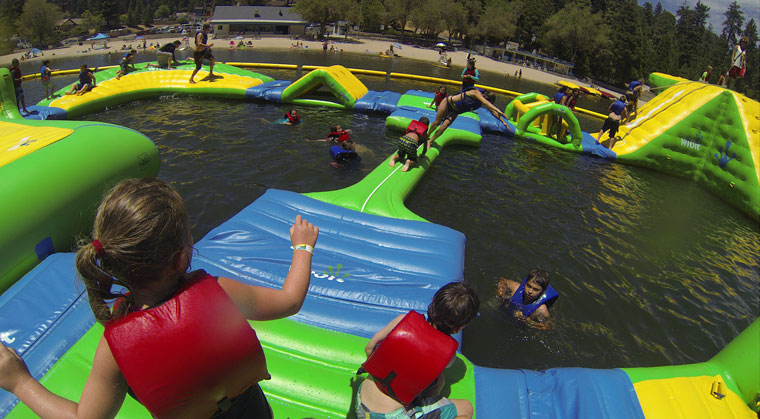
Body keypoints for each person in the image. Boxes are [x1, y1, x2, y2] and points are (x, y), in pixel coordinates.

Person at [0, 178, 319, 418]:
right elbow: (289, 301)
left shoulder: (116, 347)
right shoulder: (221, 292)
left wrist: (20, 383)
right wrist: (302, 247)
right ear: (182, 258)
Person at [356, 281, 479, 419]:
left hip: (361, 402)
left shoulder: (402, 321)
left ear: (433, 303)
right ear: (459, 328)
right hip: (391, 416)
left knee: (439, 381)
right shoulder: (447, 355)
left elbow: (369, 348)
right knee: (467, 409)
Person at [427, 88, 508, 149]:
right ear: (485, 97)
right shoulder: (475, 92)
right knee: (437, 122)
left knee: (444, 127)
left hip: (455, 112)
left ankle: (430, 141)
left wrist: (503, 121)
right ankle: (427, 135)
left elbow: (492, 111)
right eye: (488, 101)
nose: (487, 103)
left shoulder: (483, 101)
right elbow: (485, 102)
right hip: (447, 103)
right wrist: (498, 109)